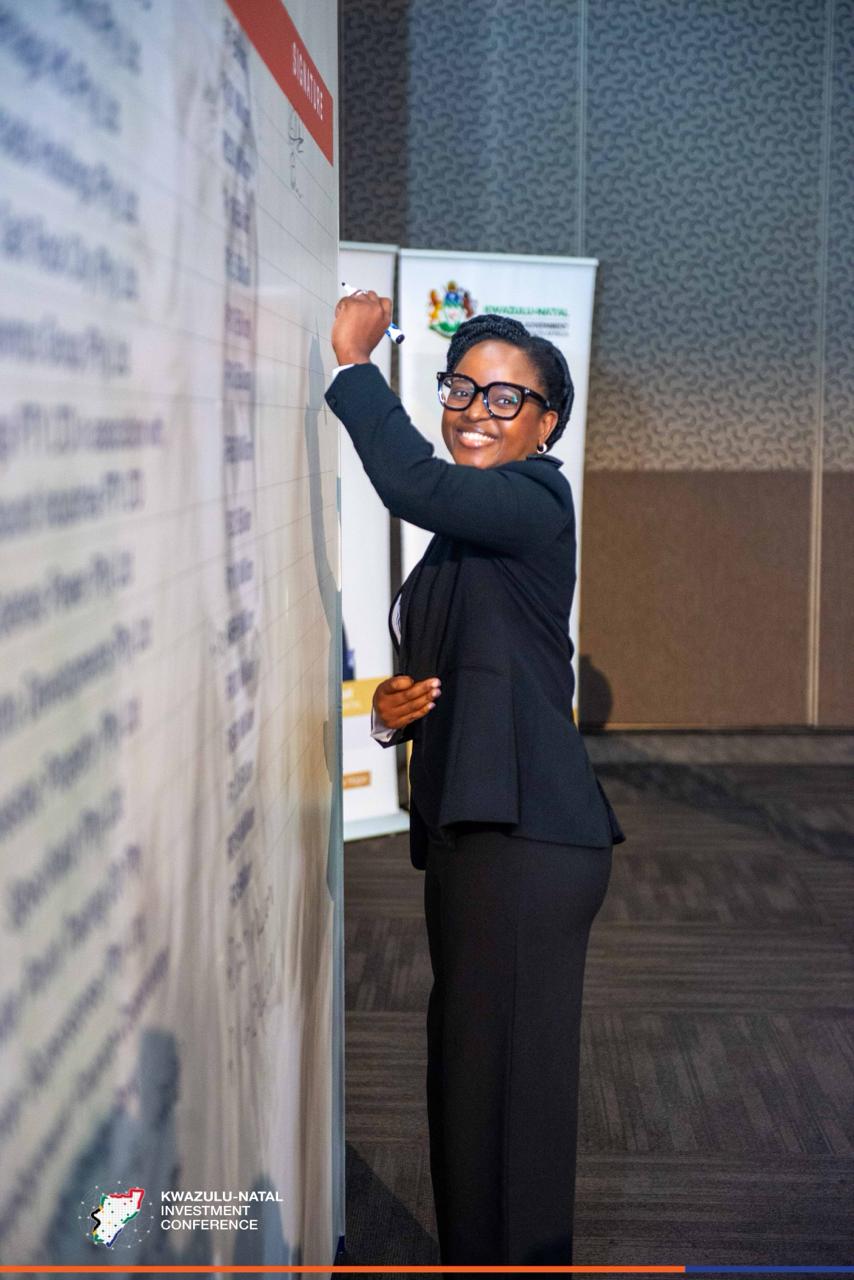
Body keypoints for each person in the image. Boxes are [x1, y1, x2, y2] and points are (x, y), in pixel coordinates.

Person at [325, 292, 626, 1271]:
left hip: (529, 840)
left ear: (547, 423)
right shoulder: (468, 535)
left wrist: (353, 366)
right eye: (460, 389)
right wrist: (389, 712)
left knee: (510, 1099)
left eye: (504, 398)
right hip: (476, 832)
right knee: (469, 1081)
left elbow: (411, 480)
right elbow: (455, 670)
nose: (473, 412)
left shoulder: (534, 500)